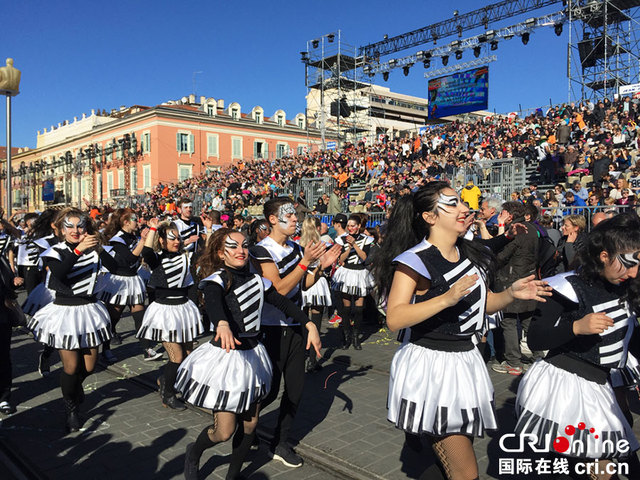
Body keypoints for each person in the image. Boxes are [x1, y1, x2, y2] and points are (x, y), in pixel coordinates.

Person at [374, 182, 549, 480]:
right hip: (432, 366)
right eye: (452, 204)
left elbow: (483, 305)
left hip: (465, 360)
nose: (464, 208)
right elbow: (395, 317)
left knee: (452, 464)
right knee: (465, 471)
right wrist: (446, 299)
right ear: (429, 217)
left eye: (462, 203)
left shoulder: (473, 253)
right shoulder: (414, 260)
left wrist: (511, 294)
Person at [177, 228, 321, 479]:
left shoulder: (258, 280)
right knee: (223, 431)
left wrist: (308, 323)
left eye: (244, 245)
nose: (240, 251)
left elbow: (283, 303)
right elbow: (213, 300)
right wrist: (221, 322)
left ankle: (233, 474)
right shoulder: (218, 279)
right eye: (232, 247)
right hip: (226, 359)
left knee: (251, 424)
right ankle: (194, 451)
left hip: (253, 357)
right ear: (221, 254)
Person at [514, 213, 640, 475]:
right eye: (628, 263)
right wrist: (576, 327)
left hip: (603, 385)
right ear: (604, 255)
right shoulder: (567, 285)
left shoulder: (628, 284)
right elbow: (536, 337)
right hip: (567, 386)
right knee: (597, 467)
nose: (634, 272)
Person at [249, 197, 336, 467]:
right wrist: (306, 262)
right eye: (290, 214)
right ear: (273, 219)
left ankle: (281, 442)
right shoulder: (260, 251)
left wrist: (321, 266)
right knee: (270, 390)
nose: (295, 219)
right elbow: (280, 290)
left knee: (296, 390)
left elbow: (305, 285)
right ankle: (247, 428)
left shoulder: (298, 249)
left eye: (296, 214)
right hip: (270, 328)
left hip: (296, 326)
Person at [26, 208, 116, 432]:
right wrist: (77, 250)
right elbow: (59, 273)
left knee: (89, 366)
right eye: (70, 226)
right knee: (72, 365)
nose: (76, 230)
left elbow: (117, 268)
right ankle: (71, 409)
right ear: (61, 230)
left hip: (89, 310)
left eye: (80, 225)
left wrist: (99, 247)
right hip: (65, 312)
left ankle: (75, 387)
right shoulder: (53, 251)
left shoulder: (92, 249)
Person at [136, 218, 204, 410]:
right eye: (171, 238)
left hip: (184, 309)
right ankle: (168, 394)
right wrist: (152, 228)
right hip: (165, 312)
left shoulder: (186, 257)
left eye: (178, 238)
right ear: (162, 241)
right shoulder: (156, 258)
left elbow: (191, 284)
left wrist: (195, 307)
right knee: (177, 356)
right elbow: (147, 251)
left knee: (188, 354)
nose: (176, 241)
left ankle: (166, 380)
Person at [96, 208, 161, 362]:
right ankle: (105, 349)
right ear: (125, 222)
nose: (137, 222)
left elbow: (144, 253)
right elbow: (131, 258)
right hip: (119, 281)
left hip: (133, 279)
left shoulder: (133, 235)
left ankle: (147, 349)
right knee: (113, 318)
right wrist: (143, 240)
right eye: (134, 219)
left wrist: (147, 237)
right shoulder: (117, 239)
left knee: (139, 315)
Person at [332, 214, 375, 350]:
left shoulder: (366, 240)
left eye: (353, 226)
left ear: (358, 227)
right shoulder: (340, 240)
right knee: (346, 308)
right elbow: (340, 260)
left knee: (358, 308)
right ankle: (346, 336)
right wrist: (348, 247)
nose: (350, 228)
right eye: (348, 226)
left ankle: (356, 337)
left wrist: (354, 244)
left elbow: (365, 258)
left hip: (360, 273)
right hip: (347, 273)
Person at [298, 217, 332, 371]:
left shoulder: (298, 244)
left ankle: (302, 354)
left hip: (304, 280)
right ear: (317, 228)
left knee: (303, 319)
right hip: (317, 281)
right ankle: (312, 360)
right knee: (316, 321)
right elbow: (325, 265)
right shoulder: (321, 245)